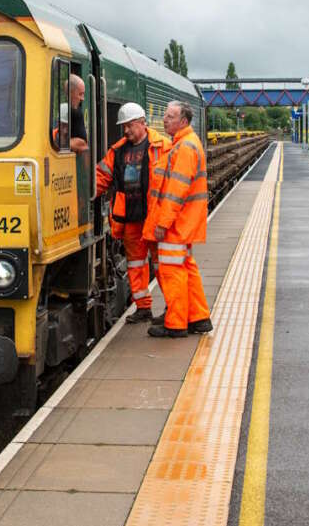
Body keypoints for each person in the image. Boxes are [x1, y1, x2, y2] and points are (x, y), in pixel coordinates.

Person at [95, 102, 171, 323]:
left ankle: (171, 307)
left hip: (154, 217)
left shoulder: (162, 146)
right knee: (136, 264)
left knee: (162, 265)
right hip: (129, 218)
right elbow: (101, 178)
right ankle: (143, 307)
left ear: (142, 123)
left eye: (129, 125)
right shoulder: (117, 151)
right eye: (124, 126)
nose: (126, 130)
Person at [144, 101, 212, 338]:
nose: (164, 119)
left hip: (177, 223)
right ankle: (199, 317)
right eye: (165, 115)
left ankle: (176, 323)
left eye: (170, 116)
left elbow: (176, 190)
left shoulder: (184, 148)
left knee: (173, 272)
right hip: (186, 221)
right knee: (187, 268)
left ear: (183, 121)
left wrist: (163, 223)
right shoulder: (187, 143)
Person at [68, 74, 88, 153]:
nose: (82, 99)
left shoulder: (77, 113)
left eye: (83, 94)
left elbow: (83, 145)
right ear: (70, 93)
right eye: (80, 94)